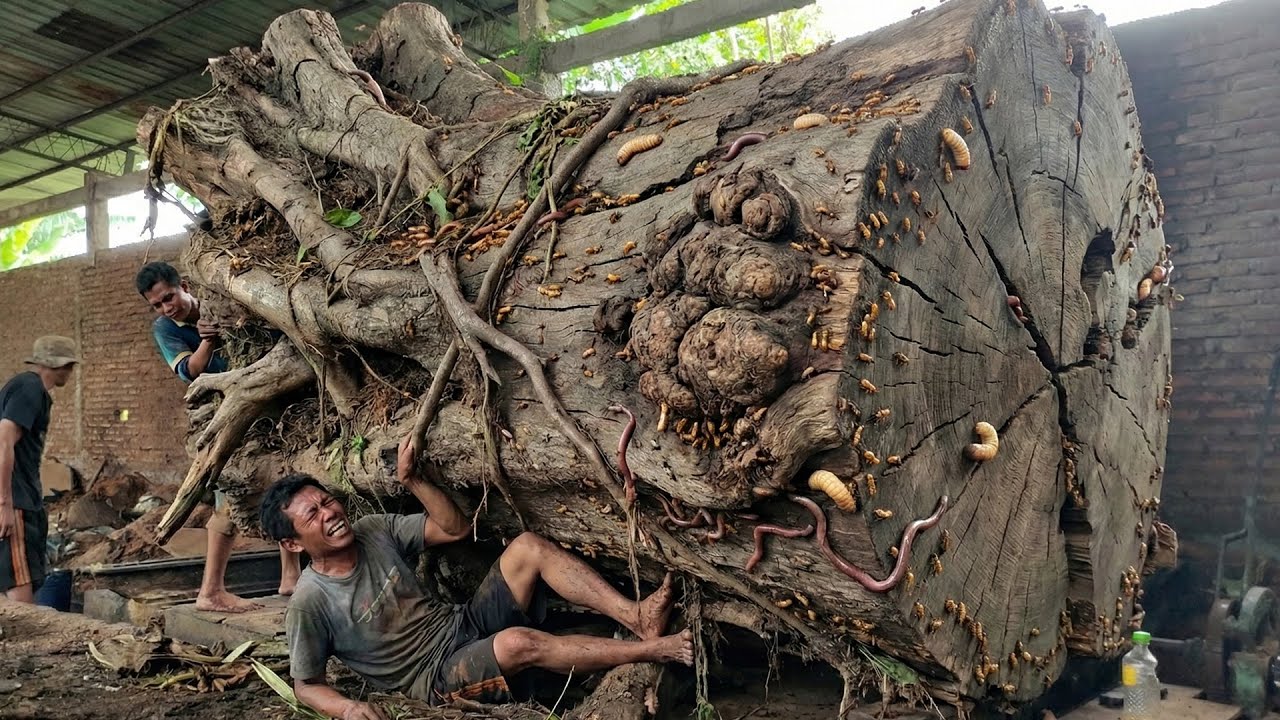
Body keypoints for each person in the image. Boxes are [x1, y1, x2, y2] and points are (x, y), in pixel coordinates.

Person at [259, 436, 694, 719]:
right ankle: (654, 650)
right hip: (435, 679)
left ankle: (634, 616)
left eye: (326, 501)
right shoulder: (309, 602)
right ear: (294, 544)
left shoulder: (373, 529)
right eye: (312, 515)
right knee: (518, 643)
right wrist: (350, 709)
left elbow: (454, 528)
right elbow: (306, 685)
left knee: (527, 546)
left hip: (462, 624)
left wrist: (411, 479)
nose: (330, 513)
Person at [136, 261, 301, 612]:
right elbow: (188, 372)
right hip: (223, 417)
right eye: (158, 305)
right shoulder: (166, 329)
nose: (168, 308)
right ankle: (210, 590)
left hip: (270, 406)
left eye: (169, 297)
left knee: (286, 483)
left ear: (183, 284)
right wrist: (208, 342)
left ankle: (291, 576)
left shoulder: (221, 300)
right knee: (230, 499)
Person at [0, 336, 78, 603]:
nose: (70, 372)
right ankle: (25, 645)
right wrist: (4, 504)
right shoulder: (29, 388)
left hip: (26, 499)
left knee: (25, 578)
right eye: (68, 365)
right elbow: (3, 441)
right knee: (18, 583)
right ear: (57, 365)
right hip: (16, 500)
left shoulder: (32, 391)